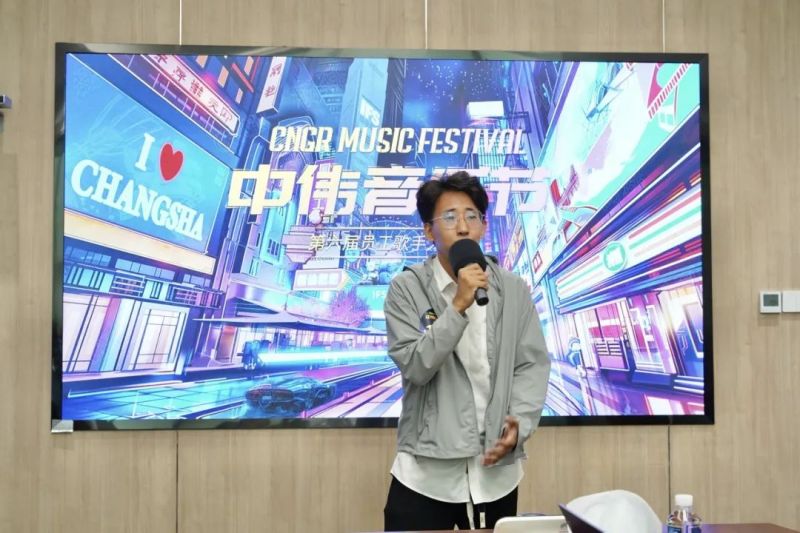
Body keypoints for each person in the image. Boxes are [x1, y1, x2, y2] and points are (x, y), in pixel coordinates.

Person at [382, 171, 551, 531]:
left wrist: (519, 423)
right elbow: (415, 366)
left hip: (495, 474)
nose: (462, 227)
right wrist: (457, 305)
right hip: (426, 475)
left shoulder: (512, 289)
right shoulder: (406, 289)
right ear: (429, 231)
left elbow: (531, 365)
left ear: (484, 225)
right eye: (449, 217)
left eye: (471, 216)